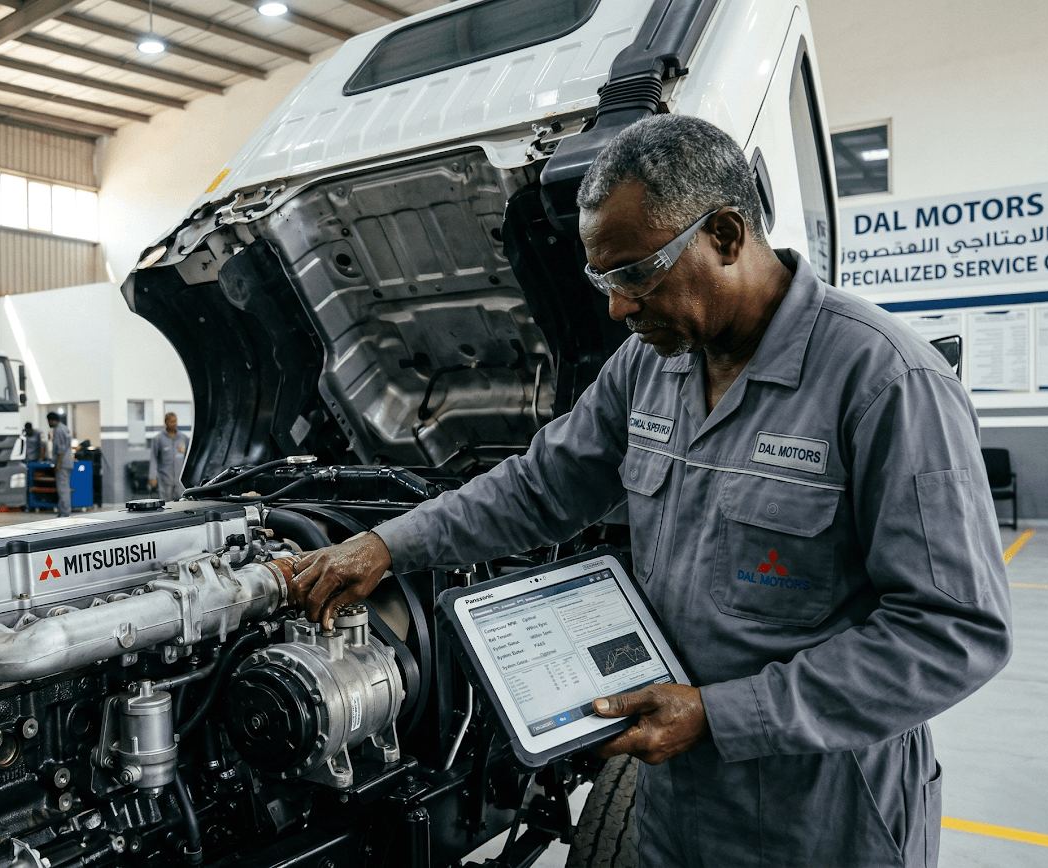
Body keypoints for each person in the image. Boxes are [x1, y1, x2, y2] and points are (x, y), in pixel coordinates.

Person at [289, 115, 1011, 867]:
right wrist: (385, 544)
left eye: (635, 273)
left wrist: (720, 715)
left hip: (821, 811)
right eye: (602, 279)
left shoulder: (884, 380)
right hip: (673, 799)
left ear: (726, 234)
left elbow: (953, 631)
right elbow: (539, 489)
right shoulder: (649, 369)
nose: (616, 307)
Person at [148, 413, 190, 501]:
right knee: (166, 504)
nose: (174, 423)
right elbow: (153, 458)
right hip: (165, 479)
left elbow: (188, 458)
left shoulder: (184, 438)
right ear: (166, 422)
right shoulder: (158, 439)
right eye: (171, 421)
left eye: (175, 421)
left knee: (183, 503)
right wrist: (152, 476)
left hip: (180, 480)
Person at [48, 411, 73, 518]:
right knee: (65, 488)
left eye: (49, 421)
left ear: (53, 420)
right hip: (68, 462)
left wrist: (57, 465)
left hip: (62, 464)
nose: (48, 423)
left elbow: (60, 450)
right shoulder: (65, 428)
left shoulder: (58, 430)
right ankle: (63, 512)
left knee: (63, 489)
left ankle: (64, 513)